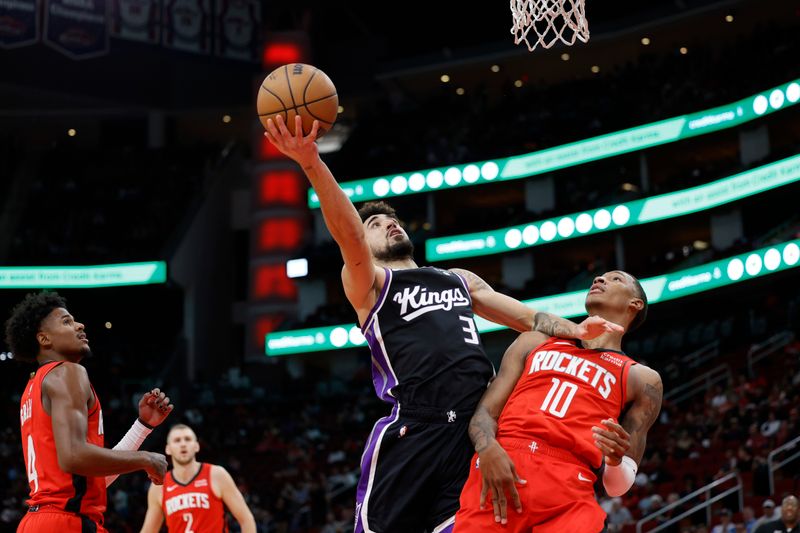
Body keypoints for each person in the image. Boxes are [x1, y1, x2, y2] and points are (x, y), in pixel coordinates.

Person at [264, 115, 623, 533]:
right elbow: (348, 235)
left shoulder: (458, 279)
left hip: (470, 431)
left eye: (391, 219)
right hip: (414, 428)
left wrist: (576, 330)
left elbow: (528, 318)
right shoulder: (372, 283)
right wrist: (311, 162)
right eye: (375, 225)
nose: (388, 224)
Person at [454, 271, 663, 532]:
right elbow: (485, 413)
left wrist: (614, 461)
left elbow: (616, 486)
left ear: (635, 303)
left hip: (569, 485)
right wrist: (487, 450)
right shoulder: (535, 340)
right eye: (599, 277)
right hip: (502, 465)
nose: (599, 278)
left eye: (615, 279)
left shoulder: (641, 378)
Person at [6, 292, 172, 533]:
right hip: (66, 522)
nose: (79, 325)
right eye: (66, 321)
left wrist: (142, 427)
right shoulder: (68, 372)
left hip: (40, 521)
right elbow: (73, 455)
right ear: (44, 339)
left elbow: (90, 478)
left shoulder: (33, 388)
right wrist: (146, 459)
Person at [139, 424, 256, 533]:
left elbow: (246, 519)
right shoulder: (159, 486)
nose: (183, 444)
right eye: (177, 440)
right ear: (168, 449)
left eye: (188, 439)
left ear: (197, 446)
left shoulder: (217, 474)